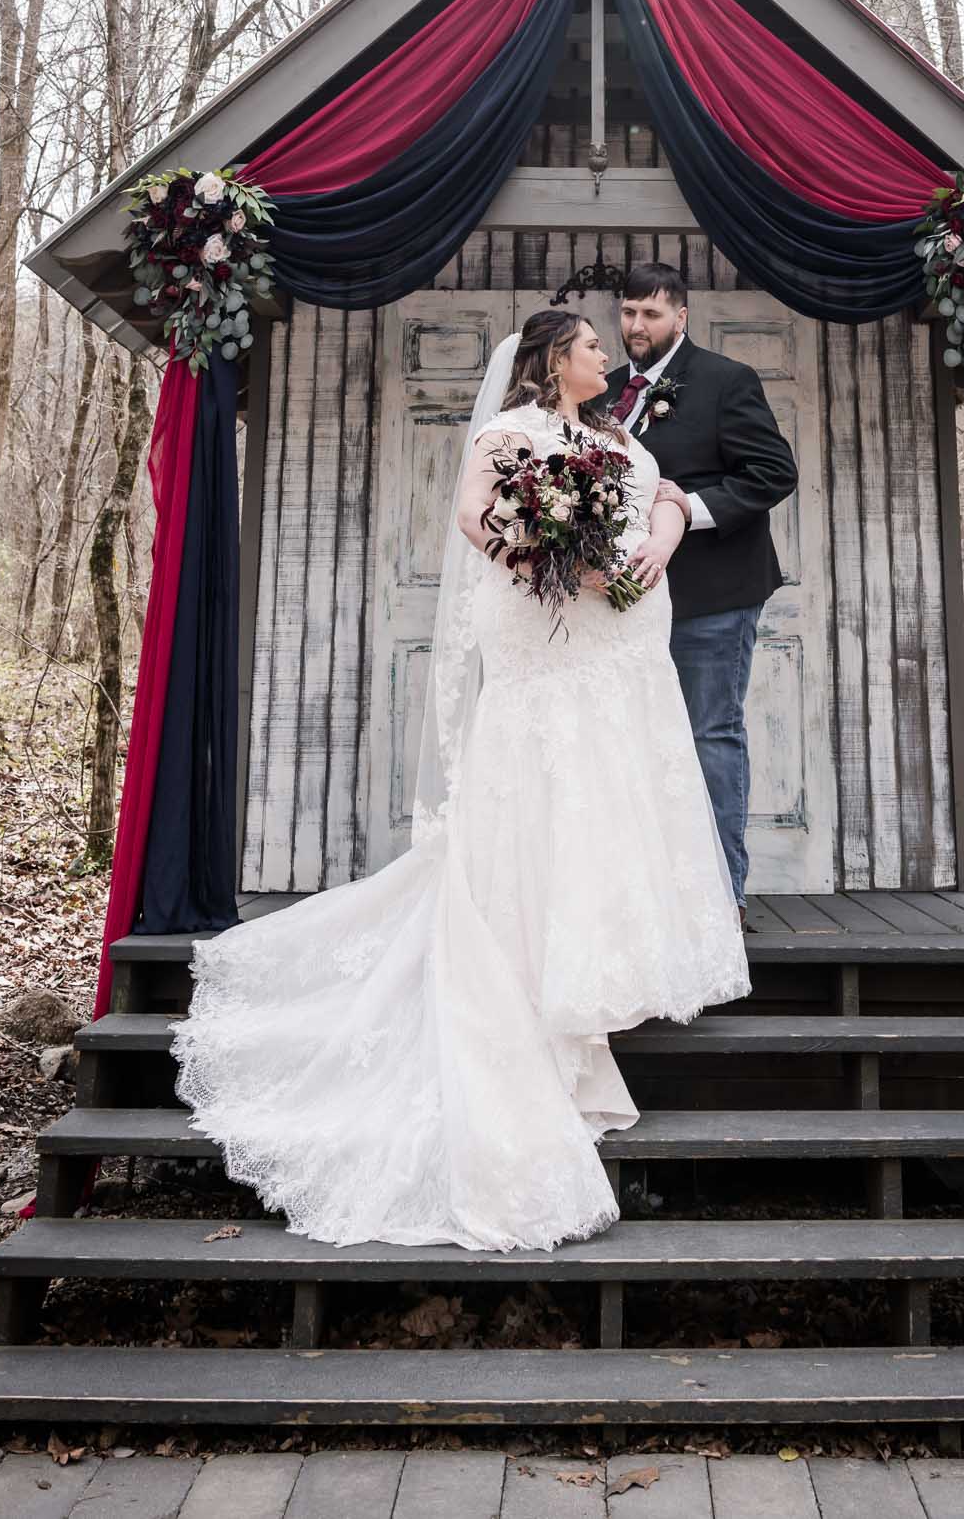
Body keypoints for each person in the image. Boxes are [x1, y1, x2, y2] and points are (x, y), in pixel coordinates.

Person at [171, 308, 748, 1253]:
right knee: (540, 781)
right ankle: (526, 961)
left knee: (607, 793)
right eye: (594, 343)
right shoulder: (508, 434)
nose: (609, 353)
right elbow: (476, 520)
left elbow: (666, 494)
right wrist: (566, 563)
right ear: (556, 359)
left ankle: (594, 954)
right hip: (550, 629)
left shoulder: (613, 436)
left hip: (624, 643)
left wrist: (668, 527)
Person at [606, 265, 799, 915]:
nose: (636, 326)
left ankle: (720, 896)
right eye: (628, 313)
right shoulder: (605, 393)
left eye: (650, 315)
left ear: (680, 317)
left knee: (707, 734)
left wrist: (688, 506)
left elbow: (772, 472)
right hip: (621, 602)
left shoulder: (725, 380)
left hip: (710, 596)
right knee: (629, 741)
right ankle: (647, 896)